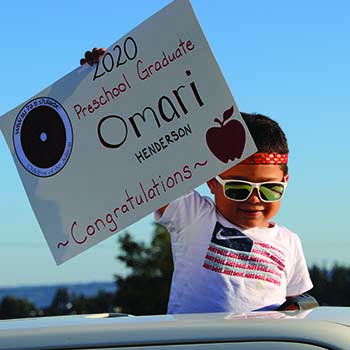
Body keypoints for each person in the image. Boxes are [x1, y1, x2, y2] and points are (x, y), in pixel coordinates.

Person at [81, 50, 313, 315]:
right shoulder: (194, 216)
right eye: (238, 188)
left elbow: (298, 304)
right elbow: (144, 158)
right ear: (212, 182)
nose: (254, 199)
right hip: (192, 342)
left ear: (285, 182)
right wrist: (109, 77)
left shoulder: (289, 242)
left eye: (270, 189)